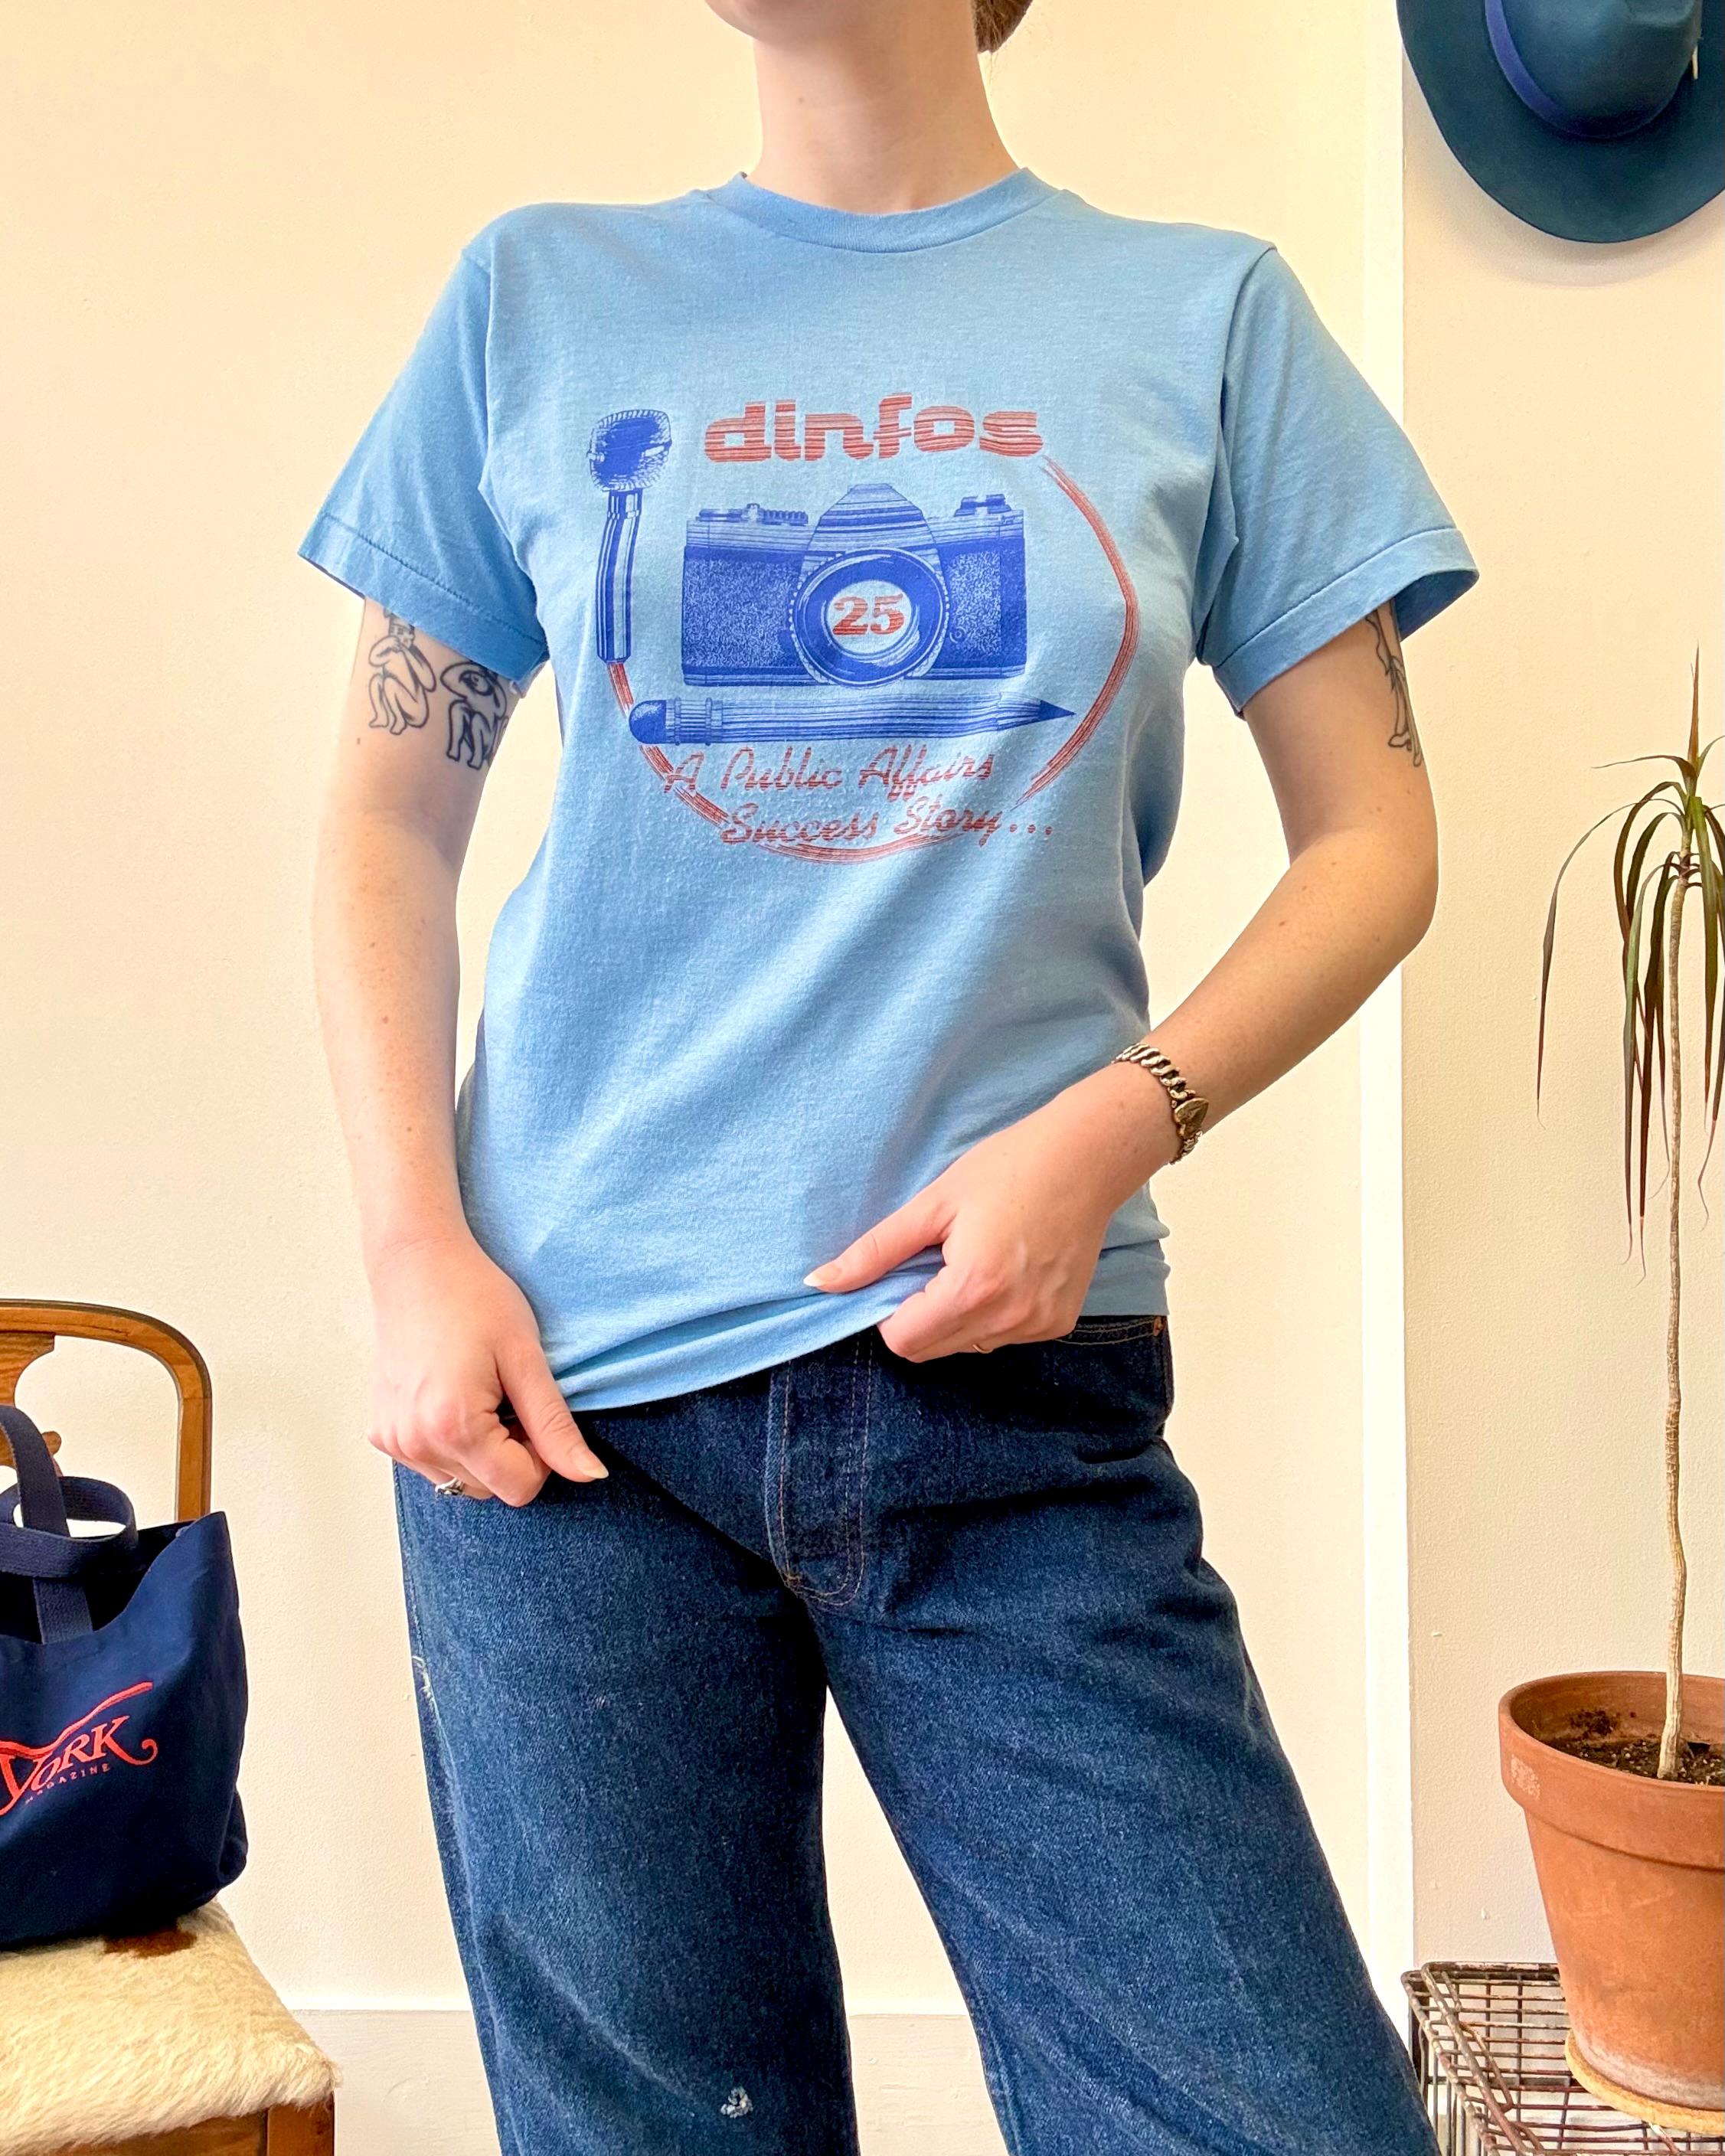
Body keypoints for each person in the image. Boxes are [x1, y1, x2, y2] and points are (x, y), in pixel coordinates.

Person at [302, 2, 1478, 2149]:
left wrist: (1119, 1121)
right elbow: (390, 818)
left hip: (1008, 1381)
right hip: (561, 1397)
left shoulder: (1207, 317)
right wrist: (410, 1255)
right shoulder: (537, 301)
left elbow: (1376, 838)